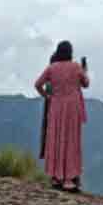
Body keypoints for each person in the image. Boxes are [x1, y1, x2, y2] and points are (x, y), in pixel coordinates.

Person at [35, 41, 90, 192]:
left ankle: (56, 177)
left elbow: (37, 84)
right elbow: (86, 83)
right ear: (70, 52)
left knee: (56, 140)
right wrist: (85, 71)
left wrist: (47, 96)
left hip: (56, 107)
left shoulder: (52, 68)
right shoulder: (76, 67)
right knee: (71, 141)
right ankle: (69, 180)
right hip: (73, 108)